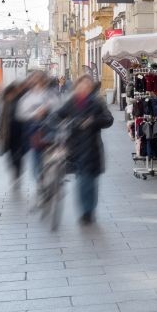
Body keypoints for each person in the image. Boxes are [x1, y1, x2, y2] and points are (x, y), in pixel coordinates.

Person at [53, 75, 113, 225]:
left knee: (91, 182)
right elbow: (58, 116)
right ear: (77, 85)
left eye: (87, 85)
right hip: (75, 147)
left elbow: (109, 119)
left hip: (92, 147)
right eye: (82, 84)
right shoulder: (72, 102)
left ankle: (89, 210)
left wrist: (93, 121)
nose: (84, 87)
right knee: (82, 181)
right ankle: (86, 211)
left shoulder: (97, 102)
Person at [0, 80, 29, 183]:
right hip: (8, 132)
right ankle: (15, 170)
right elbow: (1, 119)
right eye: (11, 92)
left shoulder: (22, 100)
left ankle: (18, 171)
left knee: (18, 153)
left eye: (14, 91)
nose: (12, 94)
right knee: (9, 154)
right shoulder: (5, 102)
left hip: (20, 131)